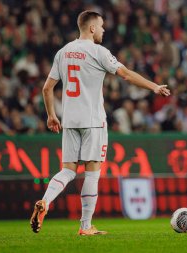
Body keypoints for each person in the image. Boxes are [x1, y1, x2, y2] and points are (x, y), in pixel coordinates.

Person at [30, 10, 170, 235]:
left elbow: (47, 88)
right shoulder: (98, 52)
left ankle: (45, 201)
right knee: (92, 173)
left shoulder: (63, 52)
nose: (104, 30)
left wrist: (51, 116)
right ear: (92, 28)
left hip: (70, 120)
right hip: (93, 121)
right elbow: (126, 74)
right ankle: (85, 226)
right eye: (102, 26)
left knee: (67, 170)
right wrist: (154, 86)